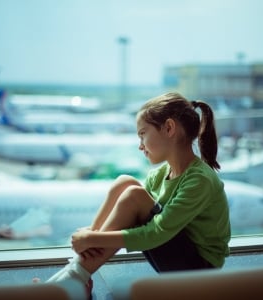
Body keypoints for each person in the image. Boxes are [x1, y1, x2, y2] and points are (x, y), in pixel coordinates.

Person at [44, 92, 231, 298]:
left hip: (199, 272)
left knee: (133, 195)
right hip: (179, 256)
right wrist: (94, 235)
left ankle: (69, 278)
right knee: (125, 183)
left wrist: (92, 238)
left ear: (169, 128)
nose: (140, 145)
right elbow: (135, 217)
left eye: (143, 134)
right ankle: (77, 270)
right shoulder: (159, 175)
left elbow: (156, 232)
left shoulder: (199, 179)